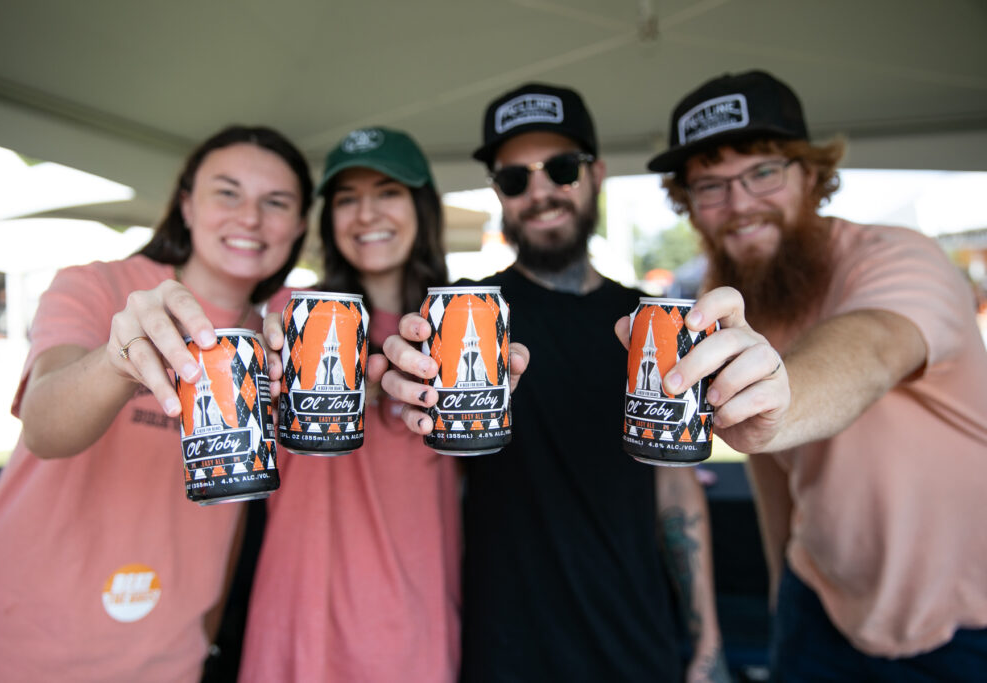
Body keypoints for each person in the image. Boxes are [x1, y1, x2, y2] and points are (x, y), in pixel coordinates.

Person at [380, 83, 791, 682]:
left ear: (596, 173)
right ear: (499, 193)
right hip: (507, 649)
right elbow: (421, 437)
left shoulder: (653, 322)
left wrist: (707, 650)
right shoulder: (470, 317)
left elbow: (675, 492)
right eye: (515, 179)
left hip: (636, 644)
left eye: (562, 170)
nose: (540, 192)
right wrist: (399, 387)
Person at [648, 69, 987, 680]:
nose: (740, 203)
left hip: (965, 627)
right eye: (710, 186)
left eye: (763, 172)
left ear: (811, 173)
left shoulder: (898, 255)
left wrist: (782, 392)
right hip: (815, 605)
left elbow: (876, 346)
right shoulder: (725, 297)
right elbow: (772, 470)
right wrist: (782, 594)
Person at [0, 125, 312, 681]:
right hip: (16, 638)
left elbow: (244, 502)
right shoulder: (99, 287)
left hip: (167, 652)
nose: (250, 218)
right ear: (186, 205)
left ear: (297, 226)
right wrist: (117, 362)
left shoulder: (288, 328)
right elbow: (45, 427)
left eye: (276, 202)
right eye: (227, 192)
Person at [239, 126, 468, 682]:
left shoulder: (460, 325)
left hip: (417, 622)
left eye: (387, 191)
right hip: (300, 616)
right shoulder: (291, 314)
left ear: (422, 208)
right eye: (346, 199)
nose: (365, 215)